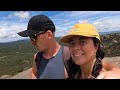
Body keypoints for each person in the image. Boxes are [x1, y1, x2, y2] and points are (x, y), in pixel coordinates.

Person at [17, 15, 69, 79]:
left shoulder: (70, 55)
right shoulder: (37, 57)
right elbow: (34, 73)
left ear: (49, 34)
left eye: (33, 37)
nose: (32, 42)